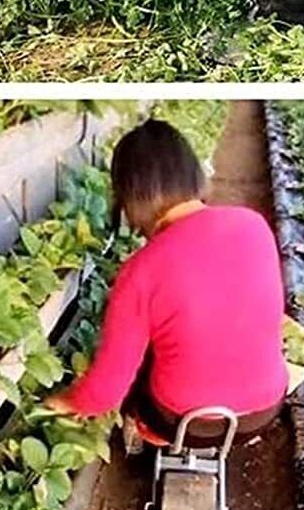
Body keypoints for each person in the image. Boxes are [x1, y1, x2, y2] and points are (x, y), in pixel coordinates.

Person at [42, 119, 288, 447]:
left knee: (139, 361)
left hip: (185, 423)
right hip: (265, 412)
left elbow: (104, 394)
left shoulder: (141, 269)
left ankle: (150, 434)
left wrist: (64, 402)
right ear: (191, 174)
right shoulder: (253, 226)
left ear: (131, 195)